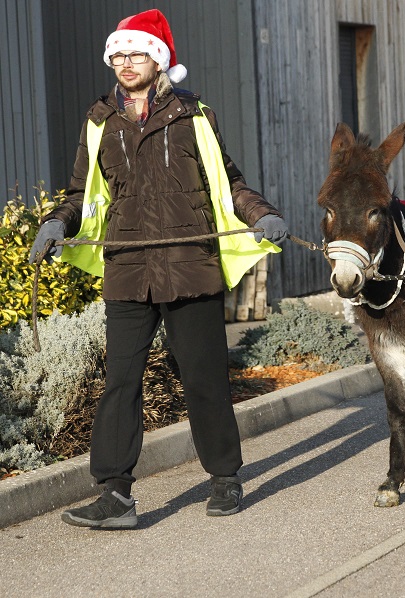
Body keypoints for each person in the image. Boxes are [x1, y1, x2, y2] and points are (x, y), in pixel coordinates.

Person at [29, 9, 288, 529]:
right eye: (118, 55)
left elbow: (228, 180)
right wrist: (57, 222)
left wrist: (262, 215)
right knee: (120, 381)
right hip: (127, 266)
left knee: (204, 378)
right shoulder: (99, 120)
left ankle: (224, 479)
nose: (126, 64)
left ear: (159, 60)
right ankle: (116, 495)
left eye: (137, 53)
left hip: (190, 266)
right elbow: (82, 192)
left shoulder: (195, 115)